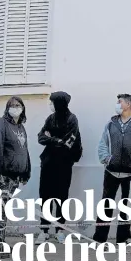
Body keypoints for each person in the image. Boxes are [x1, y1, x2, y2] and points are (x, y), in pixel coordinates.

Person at [94, 94, 131, 244]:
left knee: (127, 206)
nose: (117, 104)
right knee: (106, 204)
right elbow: (103, 144)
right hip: (111, 171)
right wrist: (107, 159)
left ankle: (123, 237)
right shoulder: (111, 123)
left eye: (119, 102)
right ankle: (99, 239)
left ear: (128, 105)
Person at [36, 91, 83, 243]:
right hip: (48, 163)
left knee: (61, 197)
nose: (50, 105)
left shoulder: (72, 119)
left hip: (63, 164)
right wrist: (55, 140)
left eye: (52, 102)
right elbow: (41, 137)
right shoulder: (50, 118)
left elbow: (69, 141)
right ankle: (44, 230)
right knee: (45, 197)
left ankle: (59, 230)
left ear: (59, 103)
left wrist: (52, 139)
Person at [0, 97, 31, 251]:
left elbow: (24, 151)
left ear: (23, 108)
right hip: (2, 176)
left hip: (15, 177)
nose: (15, 108)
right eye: (11, 105)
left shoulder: (20, 127)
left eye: (18, 105)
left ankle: (0, 244)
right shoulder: (0, 124)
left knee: (4, 211)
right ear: (7, 108)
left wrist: (26, 173)